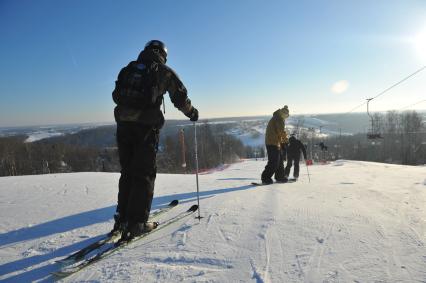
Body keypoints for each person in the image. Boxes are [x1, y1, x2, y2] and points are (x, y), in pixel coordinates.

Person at [111, 40, 199, 240]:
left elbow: (116, 95)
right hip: (145, 129)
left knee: (128, 172)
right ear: (162, 53)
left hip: (123, 126)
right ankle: (137, 223)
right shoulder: (162, 71)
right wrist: (192, 113)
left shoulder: (128, 69)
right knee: (144, 174)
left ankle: (122, 218)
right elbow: (180, 97)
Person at [261, 106, 290, 184]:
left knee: (280, 161)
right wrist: (286, 141)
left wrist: (282, 143)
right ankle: (265, 177)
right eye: (286, 116)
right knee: (274, 161)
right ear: (284, 114)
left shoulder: (277, 117)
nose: (286, 118)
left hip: (275, 143)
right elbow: (281, 131)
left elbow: (278, 132)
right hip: (272, 143)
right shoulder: (279, 118)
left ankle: (280, 176)